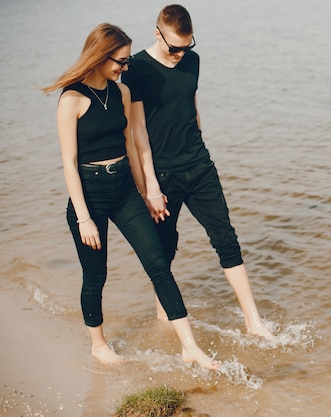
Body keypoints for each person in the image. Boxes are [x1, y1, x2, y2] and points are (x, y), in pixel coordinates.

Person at [42, 23, 220, 369]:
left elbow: (130, 145)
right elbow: (68, 162)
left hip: (124, 188)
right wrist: (83, 218)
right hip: (90, 195)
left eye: (126, 62)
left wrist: (144, 192)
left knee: (159, 266)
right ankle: (98, 344)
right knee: (96, 275)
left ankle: (189, 346)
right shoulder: (71, 99)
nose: (125, 69)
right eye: (120, 62)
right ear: (100, 55)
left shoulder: (120, 92)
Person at [122, 5, 274, 339]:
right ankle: (163, 316)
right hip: (162, 175)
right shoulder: (136, 70)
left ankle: (254, 322)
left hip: (199, 166)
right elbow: (137, 132)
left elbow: (192, 108)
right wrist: (149, 186)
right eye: (173, 47)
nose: (179, 54)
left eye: (186, 47)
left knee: (226, 238)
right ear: (157, 32)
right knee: (165, 247)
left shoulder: (193, 61)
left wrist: (200, 147)